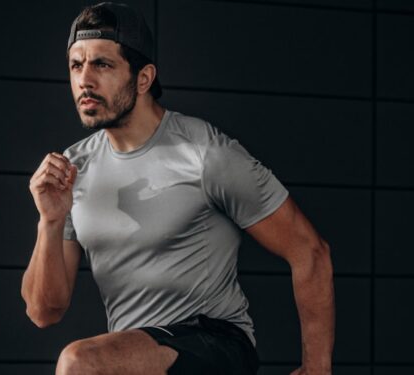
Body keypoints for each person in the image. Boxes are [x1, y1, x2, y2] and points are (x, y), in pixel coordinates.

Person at [21, 2, 335, 374]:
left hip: (218, 343)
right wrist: (51, 221)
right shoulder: (75, 169)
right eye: (77, 65)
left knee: (79, 363)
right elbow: (44, 311)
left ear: (143, 78)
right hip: (139, 354)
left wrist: (317, 368)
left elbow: (309, 251)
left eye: (102, 64)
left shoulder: (205, 153)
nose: (85, 80)